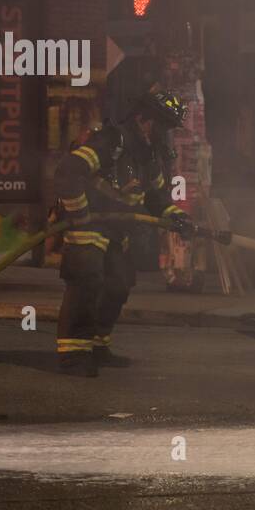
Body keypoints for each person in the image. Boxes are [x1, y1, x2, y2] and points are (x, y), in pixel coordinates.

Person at [53, 87, 195, 377]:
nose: (165, 133)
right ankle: (73, 355)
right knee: (87, 281)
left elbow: (157, 199)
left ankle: (97, 345)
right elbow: (69, 170)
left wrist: (178, 218)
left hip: (117, 231)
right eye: (163, 125)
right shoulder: (112, 140)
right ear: (145, 119)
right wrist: (80, 215)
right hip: (88, 226)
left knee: (118, 283)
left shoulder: (149, 157)